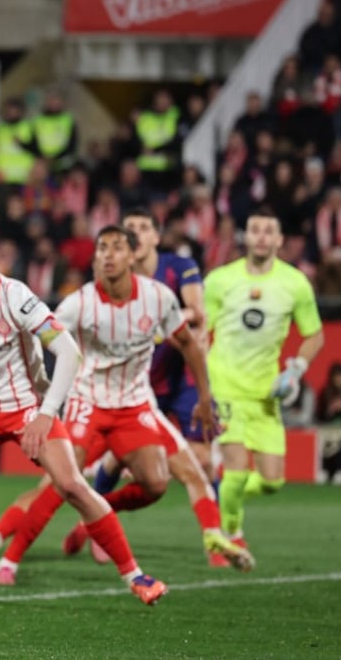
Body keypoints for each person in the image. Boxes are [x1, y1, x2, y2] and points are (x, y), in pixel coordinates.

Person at [0, 226, 167, 607]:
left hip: (28, 407)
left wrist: (46, 413)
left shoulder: (16, 296)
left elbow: (69, 353)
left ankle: (135, 575)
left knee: (71, 485)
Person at [0, 226, 220, 586]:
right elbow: (42, 338)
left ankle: (97, 513)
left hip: (133, 405)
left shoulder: (157, 297)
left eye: (116, 248)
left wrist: (205, 399)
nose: (108, 255)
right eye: (102, 249)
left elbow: (189, 344)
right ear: (94, 260)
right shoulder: (79, 303)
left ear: (131, 257)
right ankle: (10, 562)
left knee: (156, 484)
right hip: (88, 401)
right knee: (63, 481)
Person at [83, 207, 253, 570]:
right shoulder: (111, 274)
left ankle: (217, 537)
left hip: (179, 378)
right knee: (117, 458)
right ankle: (96, 523)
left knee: (204, 461)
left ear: (156, 237)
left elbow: (196, 312)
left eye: (144, 228)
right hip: (134, 380)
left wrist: (166, 324)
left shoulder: (179, 267)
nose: (136, 234)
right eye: (130, 228)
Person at [204, 209, 325, 551]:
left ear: (279, 240)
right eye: (254, 229)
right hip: (226, 387)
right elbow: (201, 330)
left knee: (273, 481)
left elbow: (315, 336)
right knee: (238, 470)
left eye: (267, 230)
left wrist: (296, 370)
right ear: (246, 236)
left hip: (267, 393)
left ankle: (225, 496)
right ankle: (231, 534)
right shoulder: (220, 281)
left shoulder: (294, 283)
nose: (260, 236)